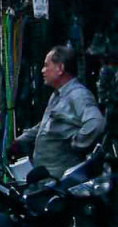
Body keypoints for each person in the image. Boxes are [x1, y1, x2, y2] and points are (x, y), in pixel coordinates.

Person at [11, 46, 105, 178]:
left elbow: (96, 123)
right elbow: (43, 126)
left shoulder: (78, 95)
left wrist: (77, 143)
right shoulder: (57, 95)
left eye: (46, 65)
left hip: (62, 179)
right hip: (47, 178)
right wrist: (19, 141)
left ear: (60, 68)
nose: (43, 71)